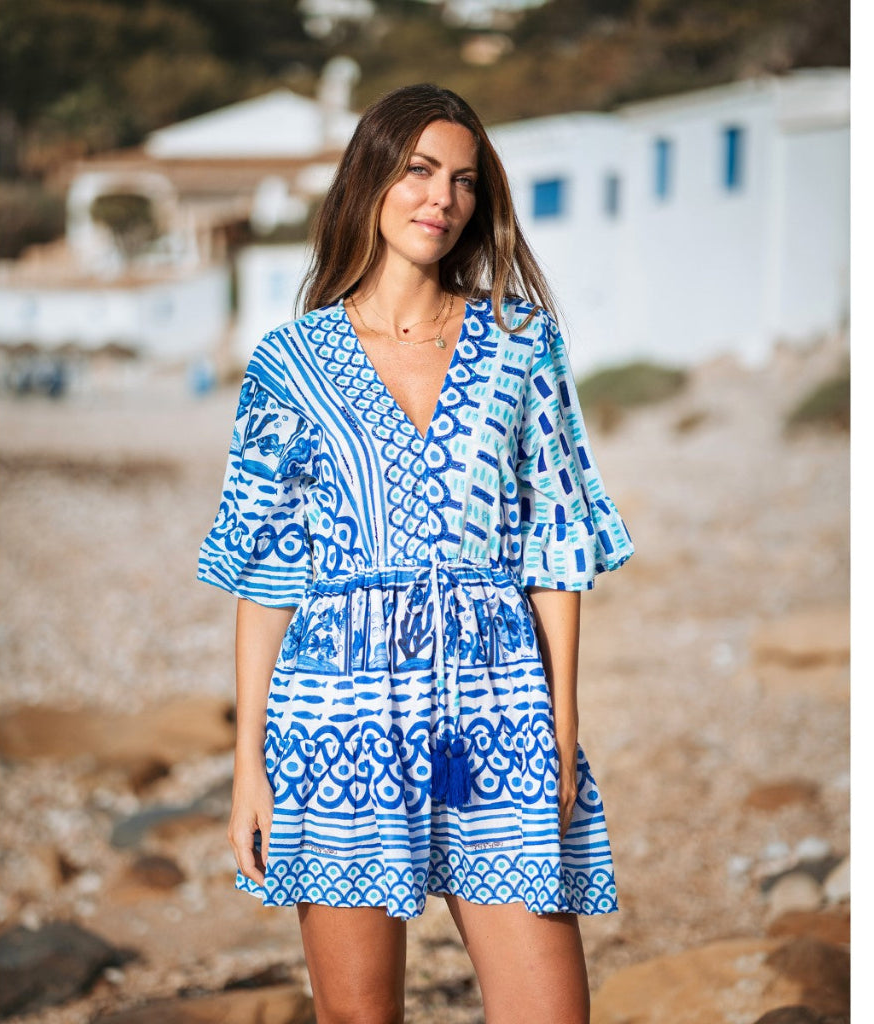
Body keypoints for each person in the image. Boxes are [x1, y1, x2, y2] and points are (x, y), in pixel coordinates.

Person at [197, 83, 634, 1024]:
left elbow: (555, 545)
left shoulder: (522, 345)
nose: (443, 199)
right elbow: (269, 571)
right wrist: (248, 762)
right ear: (372, 178)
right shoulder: (290, 361)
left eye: (466, 183)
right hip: (338, 712)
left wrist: (558, 730)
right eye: (421, 171)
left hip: (501, 701)